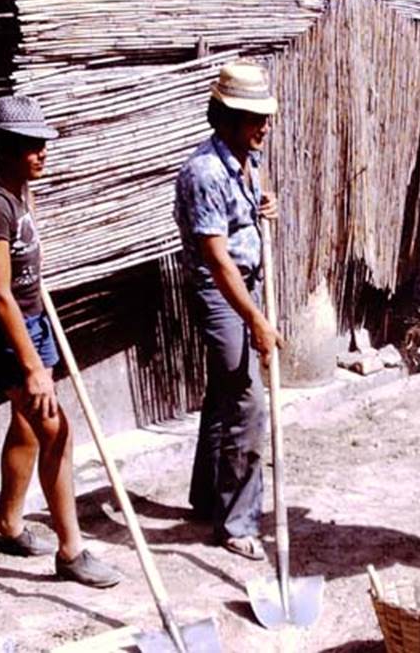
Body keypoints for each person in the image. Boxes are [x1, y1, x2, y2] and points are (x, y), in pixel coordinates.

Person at [0, 95, 121, 588]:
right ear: (4, 149)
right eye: (31, 146)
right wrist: (31, 366)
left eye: (42, 143)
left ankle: (8, 525)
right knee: (57, 432)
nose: (42, 153)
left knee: (27, 426)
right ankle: (71, 552)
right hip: (10, 334)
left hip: (32, 321)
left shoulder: (15, 195)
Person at [172, 61, 283, 561]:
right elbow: (217, 260)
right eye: (255, 118)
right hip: (219, 290)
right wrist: (256, 319)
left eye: (265, 116)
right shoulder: (204, 173)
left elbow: (241, 214)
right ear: (227, 118)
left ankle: (206, 497)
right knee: (247, 400)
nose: (264, 126)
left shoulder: (245, 158)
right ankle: (237, 522)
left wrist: (263, 204)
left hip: (245, 282)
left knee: (224, 390)